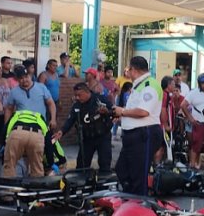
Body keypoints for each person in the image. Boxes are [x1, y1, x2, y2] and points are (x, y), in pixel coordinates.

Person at [113, 56, 163, 195]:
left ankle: (140, 206)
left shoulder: (150, 85)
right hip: (132, 135)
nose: (127, 72)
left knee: (138, 175)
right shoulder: (140, 85)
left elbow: (143, 111)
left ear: (133, 70)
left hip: (144, 134)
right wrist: (121, 117)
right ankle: (130, 201)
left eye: (128, 69)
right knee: (122, 169)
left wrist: (122, 111)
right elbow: (136, 109)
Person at [2, 65, 56, 178]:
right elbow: (8, 108)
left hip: (41, 127)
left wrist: (53, 119)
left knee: (42, 158)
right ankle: (10, 193)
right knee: (12, 160)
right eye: (21, 78)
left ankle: (38, 187)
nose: (24, 80)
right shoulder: (14, 91)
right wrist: (7, 125)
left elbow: (51, 103)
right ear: (17, 79)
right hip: (19, 128)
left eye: (26, 77)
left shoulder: (41, 87)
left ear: (30, 75)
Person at [56, 82, 113, 173]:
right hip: (87, 138)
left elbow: (113, 110)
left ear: (87, 92)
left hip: (103, 136)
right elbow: (70, 120)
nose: (77, 97)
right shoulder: (77, 105)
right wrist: (62, 131)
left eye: (79, 95)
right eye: (75, 95)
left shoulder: (99, 99)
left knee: (104, 163)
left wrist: (107, 112)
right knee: (81, 166)